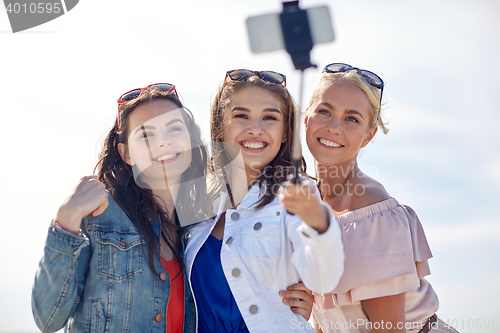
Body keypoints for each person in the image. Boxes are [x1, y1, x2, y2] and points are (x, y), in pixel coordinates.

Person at [31, 84, 314, 333]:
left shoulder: (197, 228)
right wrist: (65, 220)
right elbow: (48, 319)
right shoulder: (100, 214)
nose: (163, 141)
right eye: (146, 134)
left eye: (173, 128)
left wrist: (286, 307)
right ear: (125, 153)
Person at [184, 69, 345, 333]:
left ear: (284, 132)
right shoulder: (196, 197)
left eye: (269, 117)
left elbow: (323, 277)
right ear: (220, 126)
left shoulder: (296, 192)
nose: (255, 129)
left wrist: (320, 225)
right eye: (241, 116)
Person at [304, 63, 458, 333]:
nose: (334, 127)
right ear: (307, 117)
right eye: (324, 111)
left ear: (368, 135)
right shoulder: (303, 199)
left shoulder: (371, 213)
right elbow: (325, 318)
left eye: (351, 118)